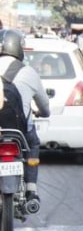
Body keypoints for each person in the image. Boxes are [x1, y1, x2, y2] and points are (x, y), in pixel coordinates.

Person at [0, 29, 51, 203]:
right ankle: (31, 189)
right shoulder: (29, 72)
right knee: (33, 144)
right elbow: (44, 104)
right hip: (20, 129)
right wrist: (43, 113)